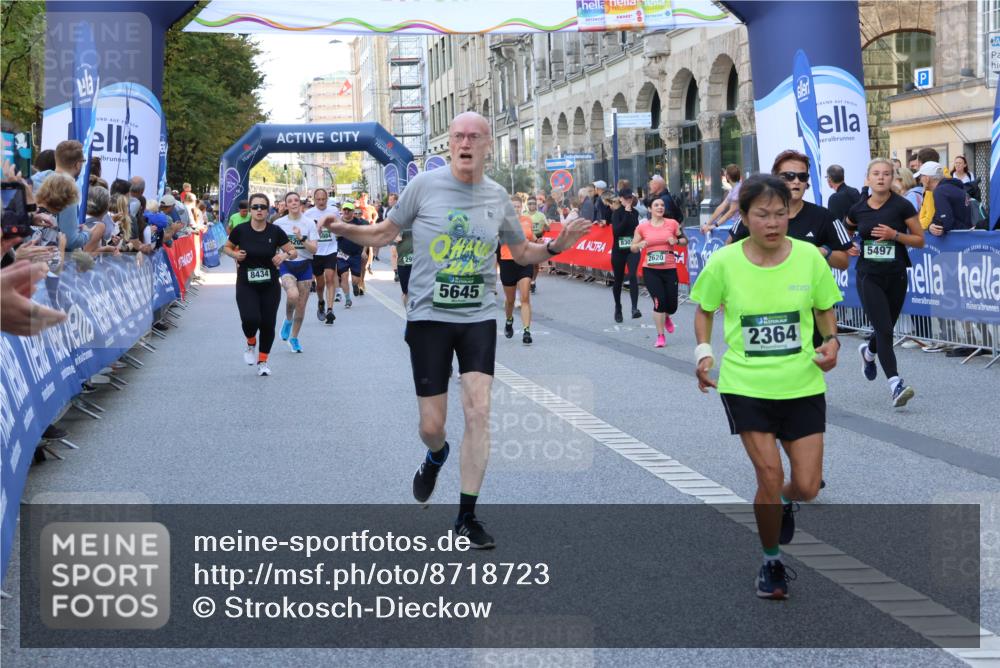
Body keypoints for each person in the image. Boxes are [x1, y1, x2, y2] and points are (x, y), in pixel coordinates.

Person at [323, 111, 592, 548]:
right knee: (432, 424)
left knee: (478, 411)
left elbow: (522, 250)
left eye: (475, 137)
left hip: (478, 317)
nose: (466, 143)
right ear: (450, 144)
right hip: (429, 317)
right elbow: (386, 233)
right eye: (458, 136)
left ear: (488, 145)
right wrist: (346, 229)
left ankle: (466, 516)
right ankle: (435, 455)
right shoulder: (423, 188)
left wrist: (560, 244)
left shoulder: (498, 196)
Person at [691, 174, 842, 600]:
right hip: (745, 384)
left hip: (802, 383)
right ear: (743, 216)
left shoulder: (810, 257)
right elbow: (704, 312)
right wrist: (703, 352)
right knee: (770, 476)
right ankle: (771, 561)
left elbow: (825, 311)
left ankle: (784, 503)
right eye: (762, 215)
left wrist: (831, 343)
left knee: (808, 486)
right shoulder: (725, 262)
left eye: (781, 214)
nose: (773, 223)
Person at [844, 159, 924, 407]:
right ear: (868, 179)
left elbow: (919, 240)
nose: (881, 178)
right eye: (876, 174)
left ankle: (868, 354)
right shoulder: (858, 209)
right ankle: (895, 384)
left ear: (892, 178)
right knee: (885, 330)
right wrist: (851, 245)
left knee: (886, 326)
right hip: (869, 275)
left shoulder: (902, 206)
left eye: (886, 174)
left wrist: (895, 236)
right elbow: (847, 229)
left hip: (897, 274)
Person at [222, 193, 297, 376]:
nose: (259, 210)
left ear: (267, 209)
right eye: (255, 207)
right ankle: (250, 342)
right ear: (250, 209)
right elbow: (226, 247)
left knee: (267, 323)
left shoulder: (275, 231)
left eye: (262, 207)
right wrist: (235, 255)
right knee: (250, 319)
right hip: (246, 283)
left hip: (270, 284)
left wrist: (284, 255)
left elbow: (293, 251)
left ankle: (263, 361)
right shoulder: (241, 230)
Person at [631, 197, 685, 347]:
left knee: (672, 306)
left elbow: (684, 241)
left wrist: (677, 241)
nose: (660, 207)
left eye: (662, 205)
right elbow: (632, 247)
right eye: (656, 205)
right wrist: (639, 244)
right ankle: (660, 336)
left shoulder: (672, 224)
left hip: (669, 269)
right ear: (649, 209)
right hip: (651, 270)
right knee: (659, 303)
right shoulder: (642, 227)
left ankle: (667, 317)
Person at [272, 191, 318, 353]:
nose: (293, 203)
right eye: (290, 201)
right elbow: (271, 246)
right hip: (287, 265)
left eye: (296, 200)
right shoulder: (279, 224)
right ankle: (288, 319)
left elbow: (314, 250)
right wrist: (277, 256)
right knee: (292, 295)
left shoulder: (309, 223)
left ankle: (294, 338)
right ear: (286, 204)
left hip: (305, 265)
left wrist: (301, 238)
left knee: (301, 306)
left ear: (300, 203)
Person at [499, 194, 537, 344]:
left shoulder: (527, 220)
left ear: (522, 207)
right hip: (507, 262)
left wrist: (539, 241)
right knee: (510, 300)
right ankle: (509, 320)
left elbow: (531, 236)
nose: (516, 209)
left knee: (525, 297)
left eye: (518, 207)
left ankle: (526, 331)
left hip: (524, 261)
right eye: (513, 207)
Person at [303, 188, 338, 324]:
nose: (321, 202)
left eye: (323, 199)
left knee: (330, 278)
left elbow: (340, 226)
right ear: (314, 199)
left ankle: (330, 309)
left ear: (327, 199)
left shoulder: (334, 211)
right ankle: (321, 301)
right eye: (318, 199)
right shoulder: (308, 214)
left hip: (331, 249)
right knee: (320, 284)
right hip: (316, 251)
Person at [610, 187, 642, 322]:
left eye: (631, 198)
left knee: (633, 274)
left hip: (632, 249)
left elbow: (636, 228)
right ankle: (618, 307)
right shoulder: (616, 213)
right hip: (619, 251)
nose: (629, 200)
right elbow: (617, 232)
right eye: (627, 198)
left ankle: (634, 308)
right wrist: (626, 215)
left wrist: (630, 214)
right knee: (618, 280)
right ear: (621, 199)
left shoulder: (635, 213)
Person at [334, 200, 366, 309]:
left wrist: (363, 251)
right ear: (342, 211)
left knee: (355, 279)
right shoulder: (338, 222)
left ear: (353, 212)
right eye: (345, 210)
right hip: (342, 254)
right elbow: (334, 235)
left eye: (349, 210)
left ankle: (355, 285)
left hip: (355, 254)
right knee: (344, 276)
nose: (346, 212)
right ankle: (348, 299)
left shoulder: (359, 222)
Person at [703, 164, 743, 232]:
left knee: (727, 241)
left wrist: (714, 225)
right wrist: (707, 224)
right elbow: (721, 207)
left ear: (727, 176)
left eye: (725, 174)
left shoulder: (738, 189)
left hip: (741, 224)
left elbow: (731, 212)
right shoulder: (733, 190)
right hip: (736, 222)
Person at [525, 196, 549, 293]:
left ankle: (533, 281)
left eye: (533, 203)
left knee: (535, 263)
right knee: (526, 263)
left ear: (536, 205)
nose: (532, 205)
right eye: (530, 203)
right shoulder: (524, 215)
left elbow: (547, 229)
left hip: (537, 239)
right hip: (526, 239)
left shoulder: (541, 215)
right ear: (527, 205)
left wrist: (546, 225)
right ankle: (526, 280)